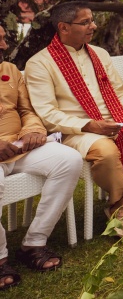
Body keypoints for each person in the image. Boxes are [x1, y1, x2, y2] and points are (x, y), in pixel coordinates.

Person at [23, 2, 123, 225]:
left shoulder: (100, 54)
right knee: (106, 150)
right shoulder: (40, 64)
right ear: (63, 27)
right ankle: (119, 204)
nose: (93, 26)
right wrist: (89, 125)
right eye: (85, 22)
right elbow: (47, 113)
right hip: (75, 131)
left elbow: (119, 92)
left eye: (92, 20)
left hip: (116, 120)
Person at [0, 26, 83, 290]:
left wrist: (33, 131)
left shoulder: (10, 70)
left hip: (19, 148)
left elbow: (27, 110)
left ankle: (34, 243)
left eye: (3, 38)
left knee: (69, 160)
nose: (3, 46)